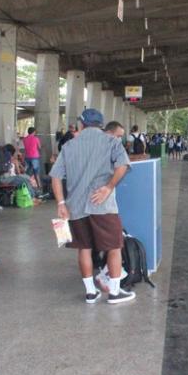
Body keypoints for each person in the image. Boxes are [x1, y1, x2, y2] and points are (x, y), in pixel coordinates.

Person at [50, 109, 135, 304]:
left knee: (84, 248)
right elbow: (123, 165)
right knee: (114, 246)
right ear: (101, 124)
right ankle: (114, 293)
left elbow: (55, 176)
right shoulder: (112, 142)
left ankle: (90, 292)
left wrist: (61, 203)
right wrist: (108, 187)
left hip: (75, 206)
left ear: (81, 123)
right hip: (102, 205)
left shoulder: (69, 146)